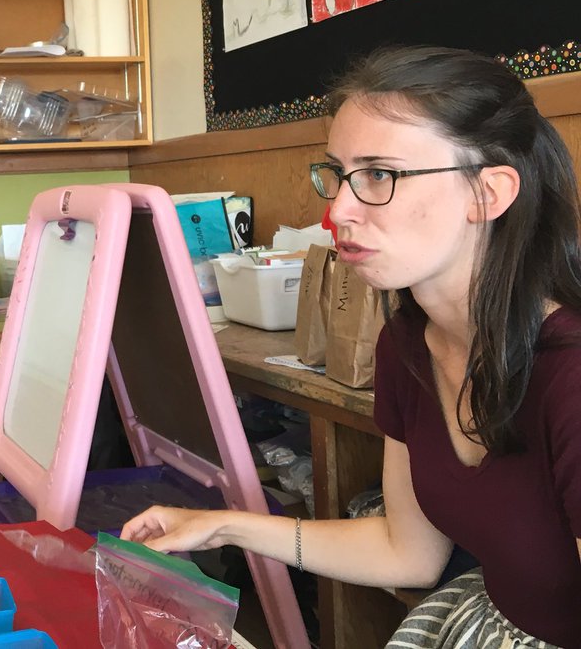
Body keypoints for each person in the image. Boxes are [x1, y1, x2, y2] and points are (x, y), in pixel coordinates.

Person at [122, 45, 581, 648]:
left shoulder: (570, 375)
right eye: (339, 175)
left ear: (488, 193)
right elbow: (406, 552)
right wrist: (221, 527)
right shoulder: (408, 345)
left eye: (380, 175)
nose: (337, 211)